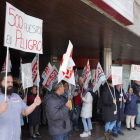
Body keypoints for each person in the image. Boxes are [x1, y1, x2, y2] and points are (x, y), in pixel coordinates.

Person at [0, 73, 41, 140]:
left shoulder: (16, 96)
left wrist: (35, 104)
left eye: (11, 82)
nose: (10, 84)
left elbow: (25, 111)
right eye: (7, 82)